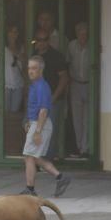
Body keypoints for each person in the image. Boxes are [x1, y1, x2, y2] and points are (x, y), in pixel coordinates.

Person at [20, 55, 70, 197]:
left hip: (40, 124)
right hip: (36, 123)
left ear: (41, 70)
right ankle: (60, 177)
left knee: (29, 156)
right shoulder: (36, 85)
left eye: (34, 68)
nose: (30, 71)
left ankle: (30, 189)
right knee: (34, 157)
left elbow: (43, 110)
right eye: (29, 68)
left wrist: (37, 131)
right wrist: (29, 123)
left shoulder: (41, 86)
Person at [32, 28, 68, 161]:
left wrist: (54, 97)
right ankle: (38, 158)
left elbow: (64, 78)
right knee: (35, 127)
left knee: (50, 131)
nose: (42, 42)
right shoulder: (34, 55)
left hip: (52, 100)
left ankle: (48, 160)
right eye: (39, 40)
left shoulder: (56, 56)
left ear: (49, 40)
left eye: (44, 39)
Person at [67, 21, 90, 157]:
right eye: (80, 34)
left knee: (88, 118)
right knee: (77, 118)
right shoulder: (71, 46)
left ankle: (86, 148)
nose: (83, 36)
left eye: (85, 34)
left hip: (89, 84)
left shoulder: (92, 46)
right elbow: (67, 63)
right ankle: (78, 147)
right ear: (76, 34)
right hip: (75, 84)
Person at [0, 24, 25, 113]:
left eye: (16, 32)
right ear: (7, 33)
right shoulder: (1, 48)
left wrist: (18, 54)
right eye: (11, 32)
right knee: (4, 113)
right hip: (4, 84)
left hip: (18, 84)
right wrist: (1, 22)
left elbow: (24, 63)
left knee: (15, 112)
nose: (14, 34)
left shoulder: (21, 48)